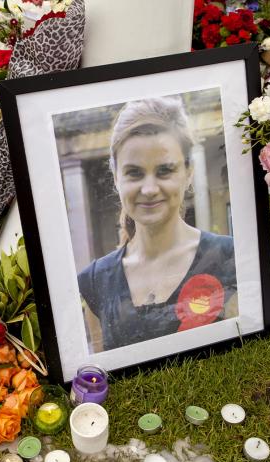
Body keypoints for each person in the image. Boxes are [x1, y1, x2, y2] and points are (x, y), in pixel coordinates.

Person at [77, 96, 237, 352]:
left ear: (188, 173)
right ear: (116, 177)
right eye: (134, 173)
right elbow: (103, 374)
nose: (149, 189)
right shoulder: (94, 281)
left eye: (165, 170)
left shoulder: (233, 259)